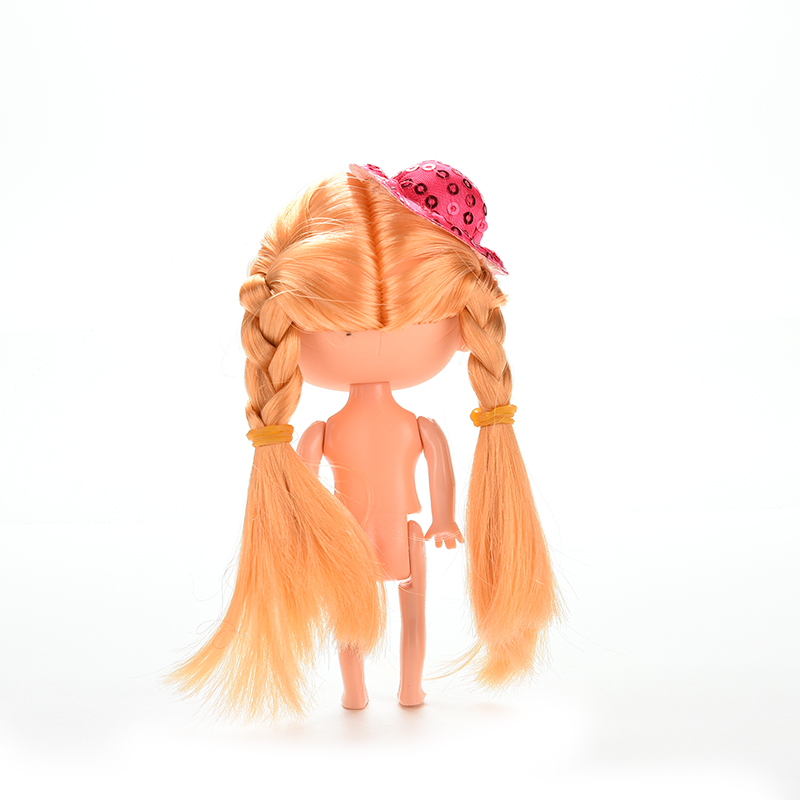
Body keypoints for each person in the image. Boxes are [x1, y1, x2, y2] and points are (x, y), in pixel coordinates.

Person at [169, 161, 559, 720]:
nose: (374, 344)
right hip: (345, 539)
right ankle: (358, 693)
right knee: (352, 623)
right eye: (344, 330)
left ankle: (408, 688)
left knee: (405, 617)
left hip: (406, 533)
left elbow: (438, 469)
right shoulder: (324, 433)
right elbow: (303, 485)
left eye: (410, 327)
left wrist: (443, 519)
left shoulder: (407, 428)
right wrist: (304, 531)